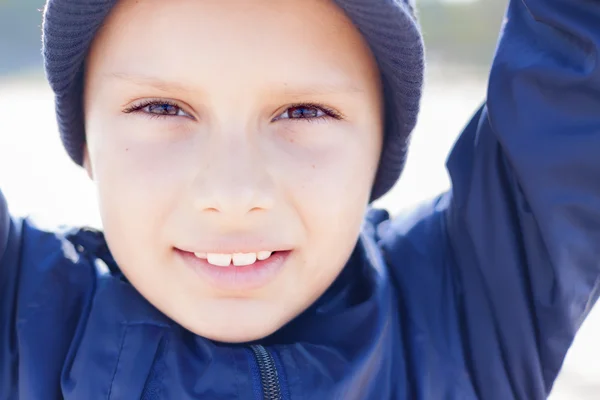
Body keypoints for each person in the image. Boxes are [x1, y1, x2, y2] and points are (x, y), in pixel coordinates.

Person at [1, 0, 599, 398]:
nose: (233, 195)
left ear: (379, 146)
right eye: (162, 108)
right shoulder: (19, 318)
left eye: (304, 111)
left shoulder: (471, 314)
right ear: (85, 142)